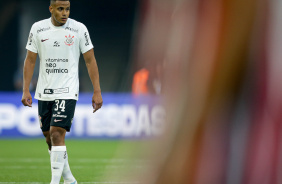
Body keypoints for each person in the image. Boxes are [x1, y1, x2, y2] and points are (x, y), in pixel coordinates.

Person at [21, 0, 103, 184]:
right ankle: (69, 179)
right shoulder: (38, 28)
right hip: (44, 91)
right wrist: (26, 89)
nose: (65, 13)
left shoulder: (79, 29)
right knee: (49, 137)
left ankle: (55, 182)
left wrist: (97, 91)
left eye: (67, 9)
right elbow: (30, 60)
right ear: (51, 9)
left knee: (57, 133)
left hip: (67, 90)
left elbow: (90, 60)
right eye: (60, 9)